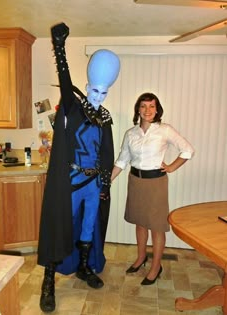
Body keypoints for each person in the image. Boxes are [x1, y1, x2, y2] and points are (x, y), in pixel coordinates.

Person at [37, 23, 120, 313]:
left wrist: (106, 186)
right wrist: (59, 48)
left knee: (88, 227)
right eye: (95, 91)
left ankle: (84, 267)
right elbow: (64, 77)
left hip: (94, 183)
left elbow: (107, 154)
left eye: (104, 93)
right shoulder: (73, 107)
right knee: (60, 227)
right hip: (70, 181)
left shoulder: (105, 118)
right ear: (87, 88)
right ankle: (48, 282)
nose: (99, 97)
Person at [111, 92, 194, 285]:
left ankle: (156, 266)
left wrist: (172, 167)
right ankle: (141, 258)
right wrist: (108, 181)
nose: (147, 110)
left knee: (157, 227)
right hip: (136, 181)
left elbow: (188, 150)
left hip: (156, 183)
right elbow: (122, 161)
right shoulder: (131, 133)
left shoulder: (164, 130)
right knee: (140, 222)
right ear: (138, 109)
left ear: (157, 110)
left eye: (151, 106)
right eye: (143, 106)